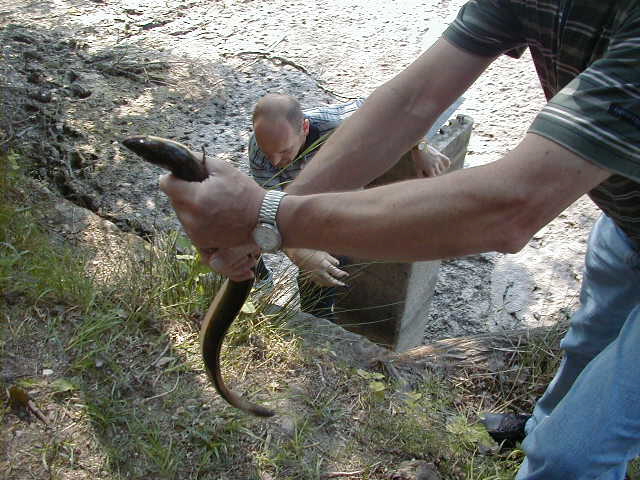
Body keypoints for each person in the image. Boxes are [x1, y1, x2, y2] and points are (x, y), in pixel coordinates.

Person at [160, 1, 640, 477]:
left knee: (570, 458)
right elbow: (412, 100)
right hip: (624, 228)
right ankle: (540, 425)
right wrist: (262, 228)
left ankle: (555, 448)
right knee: (588, 345)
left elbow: (512, 209)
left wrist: (271, 217)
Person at [248, 93, 451, 318]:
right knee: (240, 221)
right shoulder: (260, 148)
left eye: (284, 151)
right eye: (269, 153)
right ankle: (261, 280)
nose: (275, 162)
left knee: (330, 260)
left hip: (338, 192)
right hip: (297, 199)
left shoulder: (339, 124)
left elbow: (397, 107)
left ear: (305, 127)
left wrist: (420, 146)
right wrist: (298, 252)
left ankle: (318, 316)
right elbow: (271, 207)